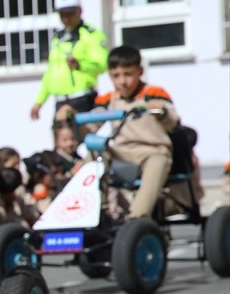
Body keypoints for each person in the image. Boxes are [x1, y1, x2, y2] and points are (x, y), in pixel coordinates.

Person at [68, 44, 182, 219]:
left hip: (151, 151)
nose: (122, 81)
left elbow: (173, 121)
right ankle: (93, 210)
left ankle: (137, 217)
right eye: (116, 76)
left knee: (158, 161)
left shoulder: (153, 94)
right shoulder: (109, 99)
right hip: (121, 152)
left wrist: (161, 111)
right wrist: (71, 118)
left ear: (140, 71)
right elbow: (90, 125)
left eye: (128, 74)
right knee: (94, 154)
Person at [30, 0, 108, 122]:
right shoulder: (58, 38)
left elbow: (103, 65)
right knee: (61, 135)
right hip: (60, 101)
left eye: (70, 13)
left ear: (80, 11)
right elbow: (51, 72)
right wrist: (39, 101)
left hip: (83, 99)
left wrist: (80, 65)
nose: (66, 18)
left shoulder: (91, 34)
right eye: (62, 14)